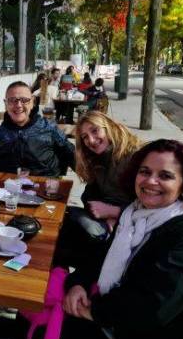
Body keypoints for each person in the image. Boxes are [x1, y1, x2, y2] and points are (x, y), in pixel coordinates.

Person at [12, 139, 183, 339]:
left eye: (165, 176)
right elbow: (100, 258)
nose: (151, 181)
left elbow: (154, 308)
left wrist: (94, 311)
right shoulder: (134, 214)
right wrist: (79, 284)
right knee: (26, 317)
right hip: (110, 318)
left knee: (39, 328)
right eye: (145, 172)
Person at [54, 111, 142, 269]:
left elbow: (154, 205)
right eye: (85, 137)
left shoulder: (135, 157)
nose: (91, 140)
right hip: (107, 220)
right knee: (57, 219)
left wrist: (115, 212)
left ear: (109, 127)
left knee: (65, 241)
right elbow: (88, 195)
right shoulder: (98, 159)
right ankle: (62, 279)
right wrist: (105, 213)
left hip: (133, 228)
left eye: (95, 131)